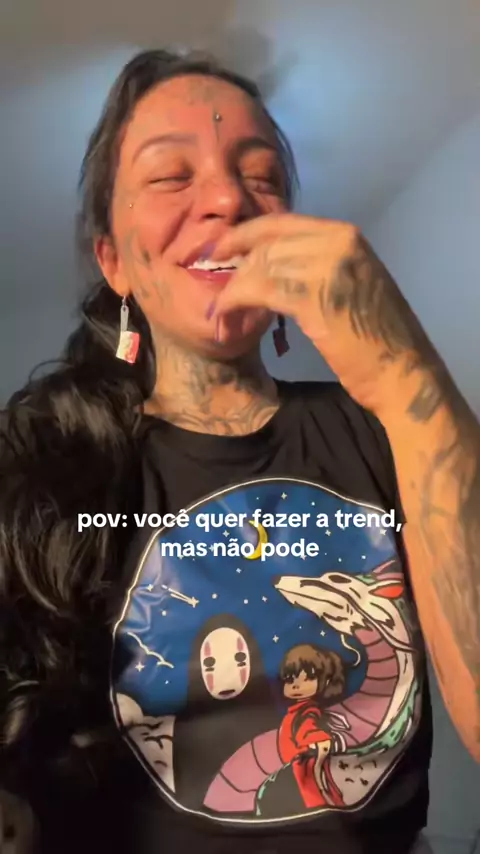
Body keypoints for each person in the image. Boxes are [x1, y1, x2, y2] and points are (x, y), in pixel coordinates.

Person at [0, 47, 478, 854]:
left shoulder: (391, 430)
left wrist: (408, 376)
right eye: (169, 176)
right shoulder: (38, 462)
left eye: (261, 177)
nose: (227, 199)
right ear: (113, 261)